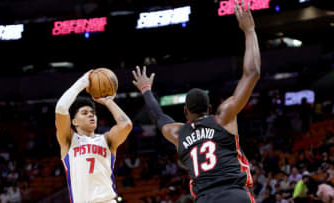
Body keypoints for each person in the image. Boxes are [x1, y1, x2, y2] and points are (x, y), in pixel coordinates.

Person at [131, 0, 260, 201]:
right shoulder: (223, 118)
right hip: (235, 195)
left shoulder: (178, 133)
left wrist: (146, 90)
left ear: (185, 112)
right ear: (209, 108)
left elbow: (159, 117)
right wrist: (250, 31)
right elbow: (252, 73)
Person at [55, 70, 133, 203]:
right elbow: (62, 107)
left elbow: (126, 125)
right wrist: (83, 82)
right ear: (74, 122)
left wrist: (108, 102)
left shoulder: (106, 140)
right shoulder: (69, 141)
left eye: (92, 112)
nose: (91, 115)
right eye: (84, 113)